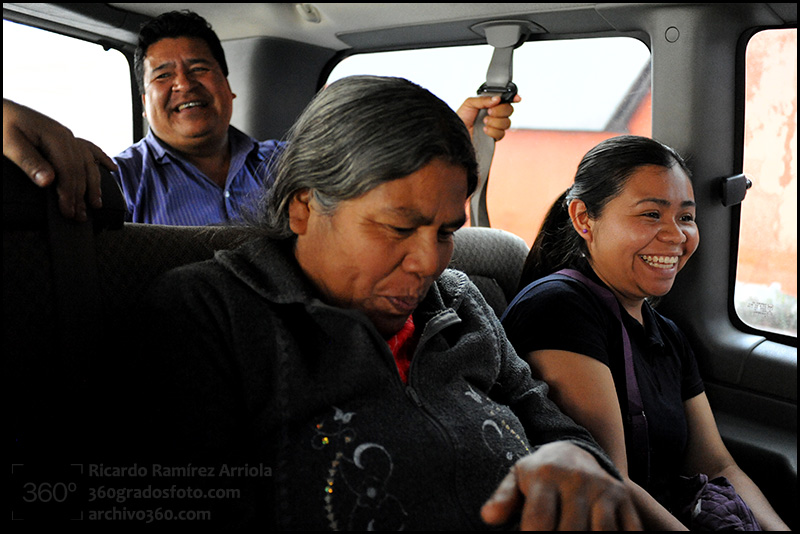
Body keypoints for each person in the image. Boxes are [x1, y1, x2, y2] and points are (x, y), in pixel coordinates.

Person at [132, 76, 641, 530]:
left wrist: (573, 456)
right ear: (304, 207)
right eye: (398, 228)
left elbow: (555, 427)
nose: (429, 262)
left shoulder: (458, 300)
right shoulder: (209, 312)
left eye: (446, 232)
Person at [501, 135, 789, 530]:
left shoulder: (667, 334)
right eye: (651, 214)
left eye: (686, 217)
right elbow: (609, 480)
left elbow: (717, 464)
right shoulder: (558, 308)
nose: (676, 235)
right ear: (584, 218)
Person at [3, 10, 519, 226]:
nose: (183, 84)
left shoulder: (293, 165)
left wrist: (450, 137)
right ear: (145, 102)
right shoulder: (120, 180)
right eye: (163, 75)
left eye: (199, 69)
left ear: (228, 88)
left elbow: (377, 184)